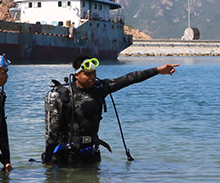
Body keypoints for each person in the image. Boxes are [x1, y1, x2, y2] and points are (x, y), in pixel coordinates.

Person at [43, 55, 178, 165]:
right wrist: (48, 157)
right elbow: (53, 129)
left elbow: (129, 79)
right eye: (88, 74)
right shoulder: (64, 95)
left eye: (94, 73)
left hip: (92, 153)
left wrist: (158, 70)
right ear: (76, 75)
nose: (92, 77)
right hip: (68, 155)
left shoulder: (100, 88)